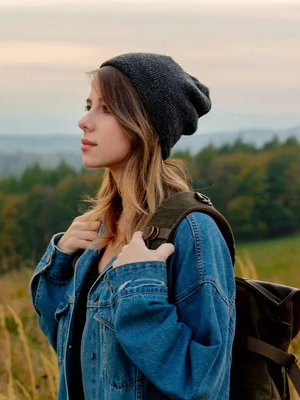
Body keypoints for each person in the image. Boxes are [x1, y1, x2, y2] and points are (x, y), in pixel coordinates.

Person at [28, 52, 236, 400]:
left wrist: (139, 289)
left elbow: (204, 382)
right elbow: (72, 350)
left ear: (144, 123)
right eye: (88, 105)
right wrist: (59, 266)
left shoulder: (193, 232)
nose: (84, 120)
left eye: (106, 109)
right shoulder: (99, 230)